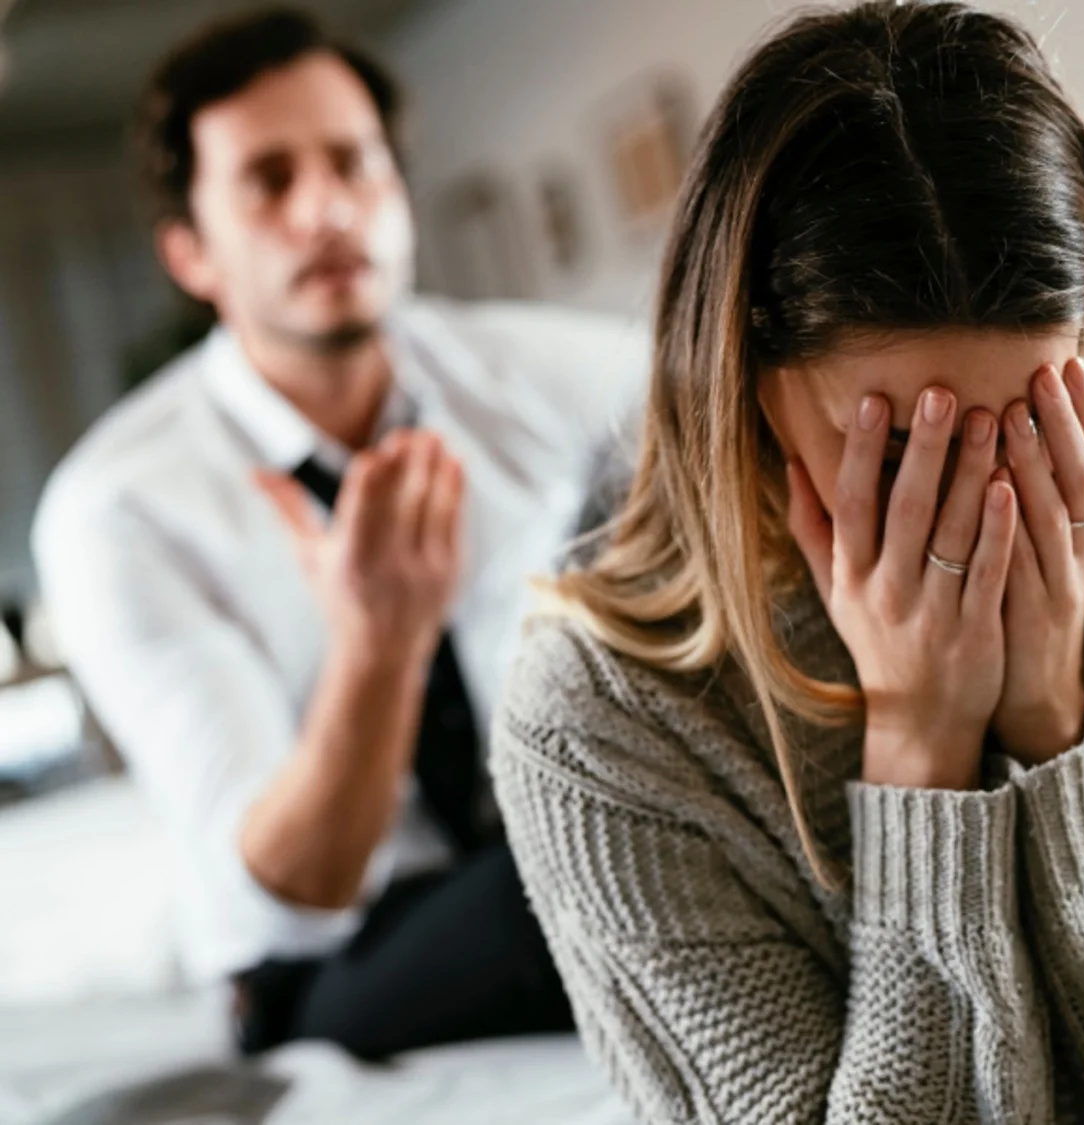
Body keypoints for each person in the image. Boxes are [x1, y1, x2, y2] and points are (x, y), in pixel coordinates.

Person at [490, 3, 1084, 1121]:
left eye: (1028, 430)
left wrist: (1060, 744)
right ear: (745, 379)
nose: (981, 512)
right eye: (906, 453)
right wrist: (920, 755)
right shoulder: (599, 717)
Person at [31, 8, 644, 1059]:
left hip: (551, 847)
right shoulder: (118, 512)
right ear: (190, 253)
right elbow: (290, 896)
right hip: (328, 955)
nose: (327, 210)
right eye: (270, 180)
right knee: (620, 858)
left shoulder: (542, 379)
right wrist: (380, 646)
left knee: (651, 828)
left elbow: (737, 397)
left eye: (355, 165)